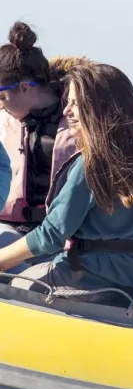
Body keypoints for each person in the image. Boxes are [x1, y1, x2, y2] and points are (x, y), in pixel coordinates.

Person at [0, 63, 133, 305]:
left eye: (75, 104)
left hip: (85, 282)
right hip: (128, 286)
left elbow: (50, 236)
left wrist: (2, 260)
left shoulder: (90, 165)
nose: (67, 111)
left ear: (100, 109)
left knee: (7, 287)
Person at [0, 22, 81, 250]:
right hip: (8, 229)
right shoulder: (3, 122)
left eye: (3, 97)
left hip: (61, 235)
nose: (0, 105)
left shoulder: (79, 122)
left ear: (25, 88)